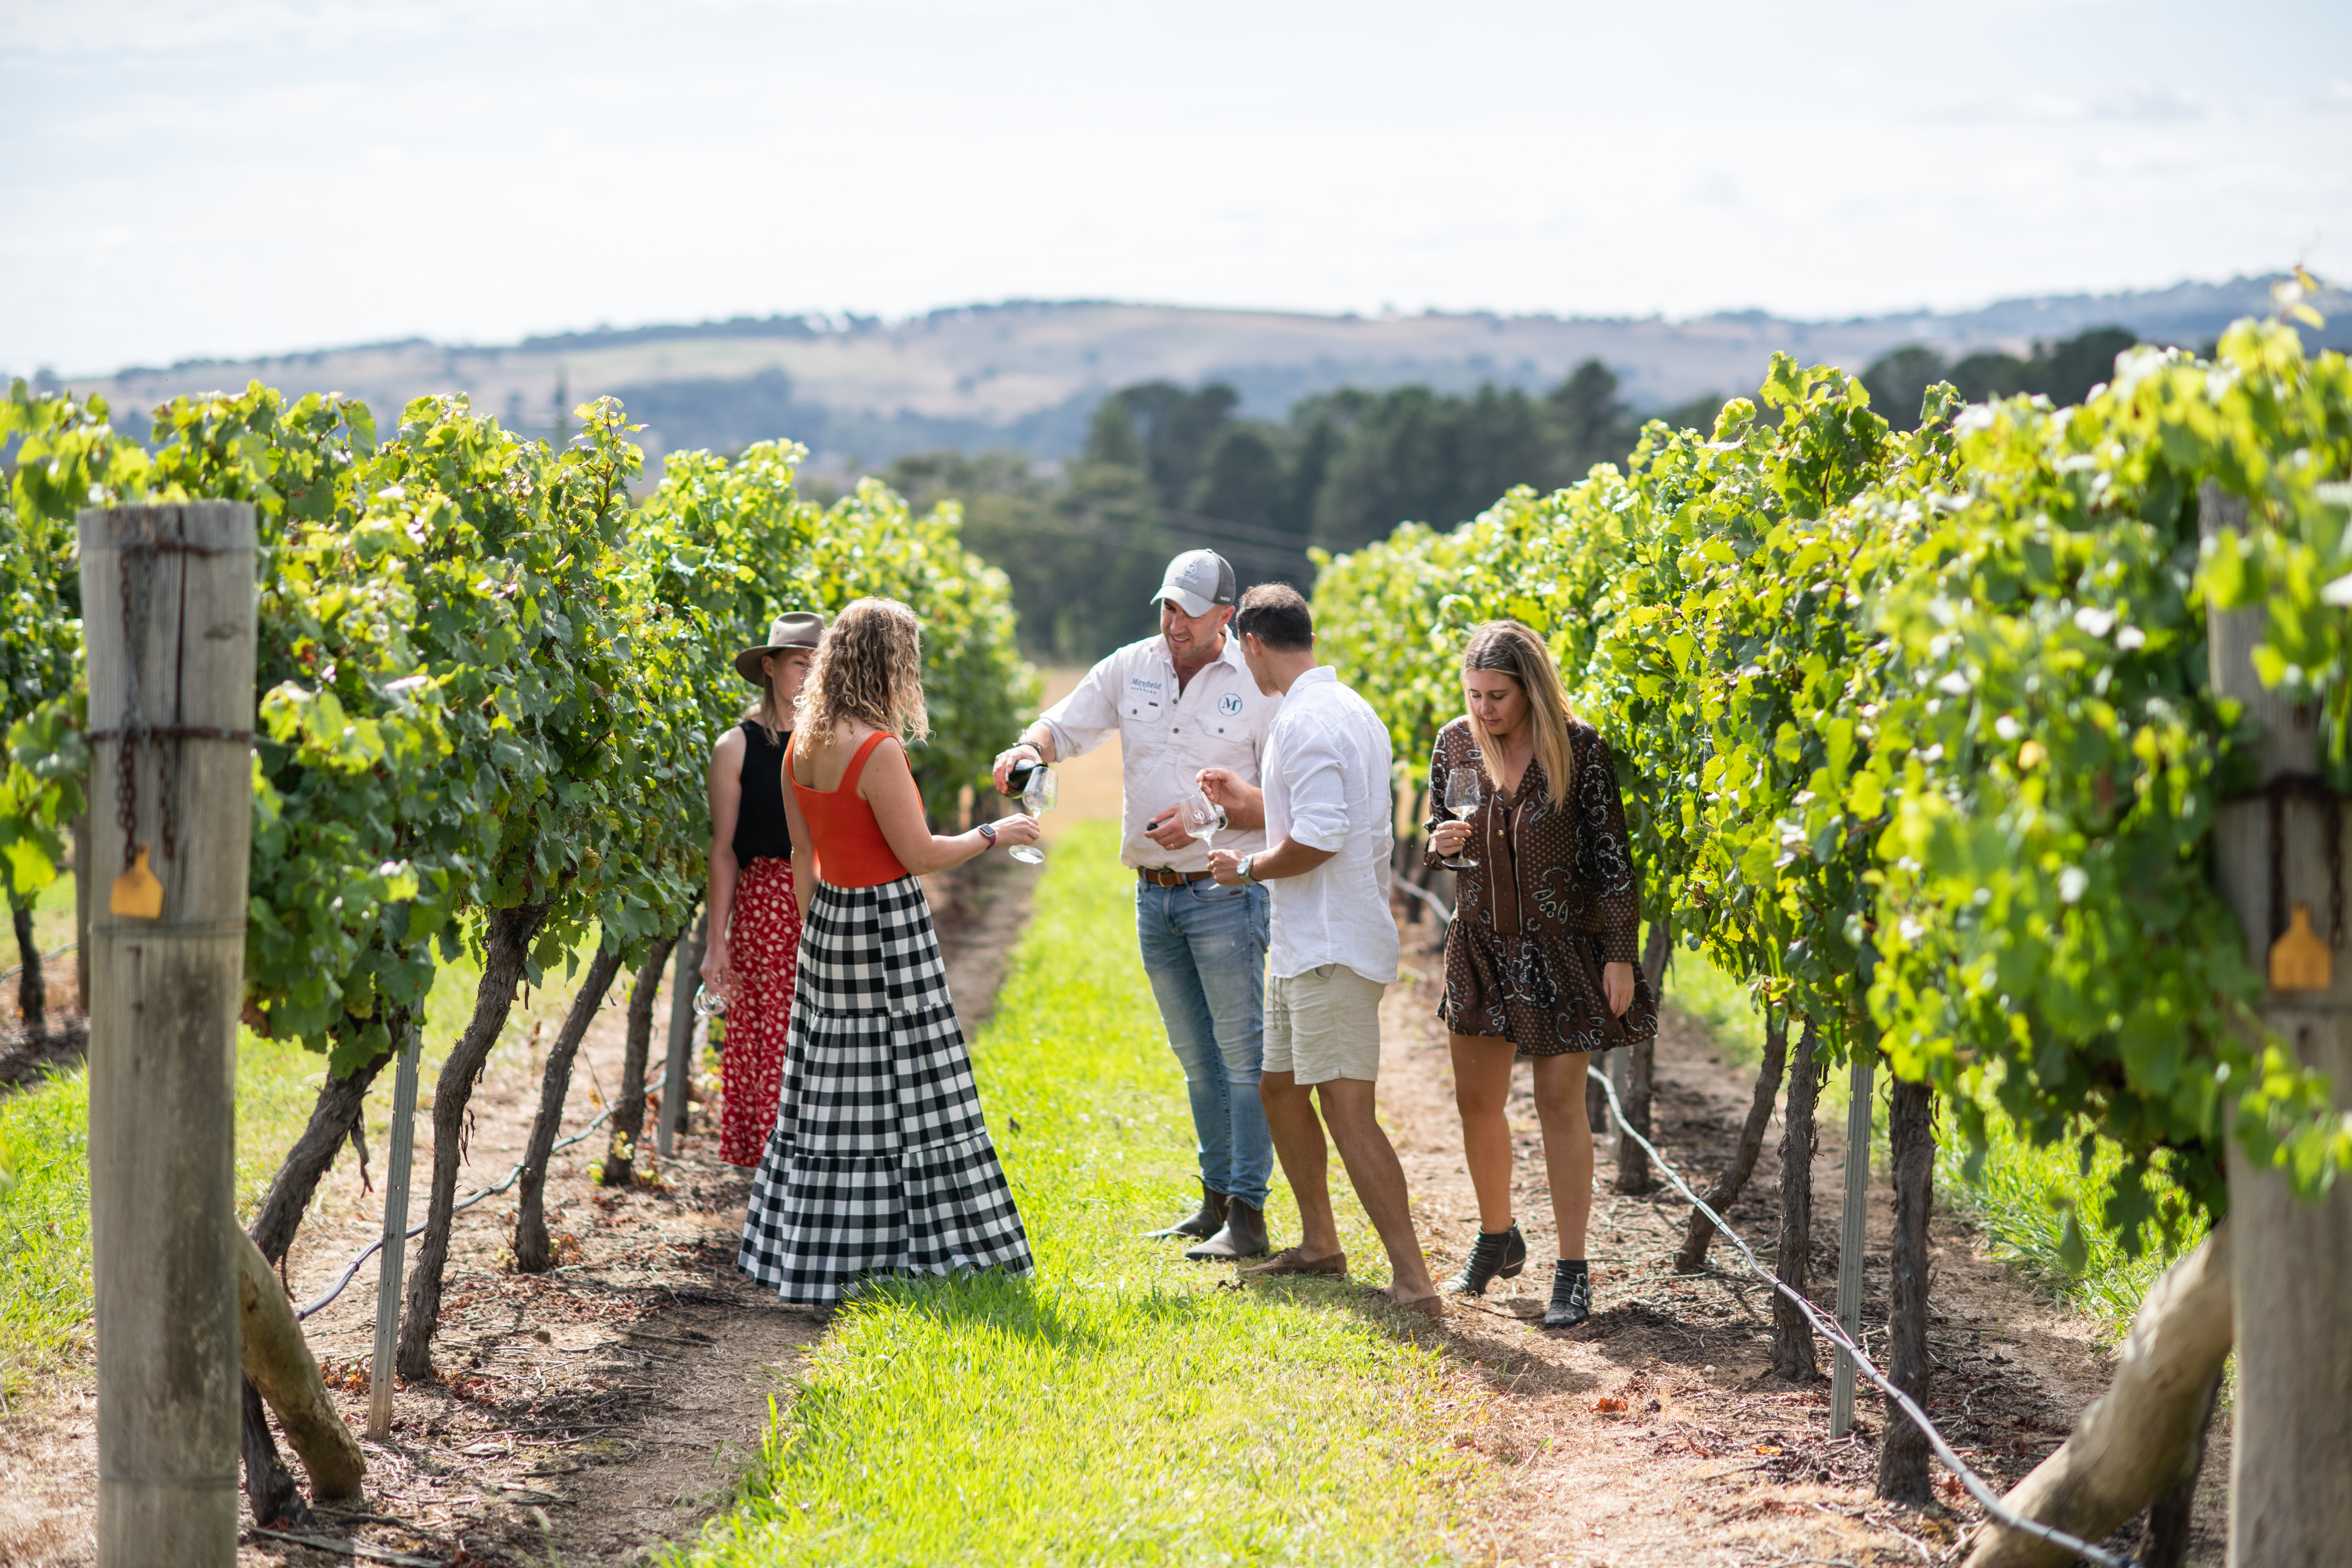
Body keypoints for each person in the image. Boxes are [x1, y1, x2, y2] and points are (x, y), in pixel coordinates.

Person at [738, 596, 1042, 1311]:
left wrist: (822, 931)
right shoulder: (877, 751)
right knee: (919, 1090)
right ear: (887, 664)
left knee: (833, 1092)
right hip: (887, 925)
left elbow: (803, 854)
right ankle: (924, 1249)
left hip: (830, 924)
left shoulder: (800, 747)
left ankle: (822, 1261)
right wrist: (997, 835)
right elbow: (921, 854)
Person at [991, 550, 1278, 1261]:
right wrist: (1026, 748)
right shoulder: (1132, 665)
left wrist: (1205, 823)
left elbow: (1282, 804)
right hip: (1155, 894)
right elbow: (1065, 725)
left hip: (1226, 891)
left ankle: (1250, 1214)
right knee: (1195, 1058)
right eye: (1167, 606)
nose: (1172, 622)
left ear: (1225, 616)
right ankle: (1214, 1202)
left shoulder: (1258, 684)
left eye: (1187, 610)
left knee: (1243, 1057)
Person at [1202, 585, 1440, 1319]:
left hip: (1331, 941)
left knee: (1346, 1108)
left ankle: (1414, 1280)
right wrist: (1250, 807)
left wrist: (1245, 866)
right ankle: (1319, 1243)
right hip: (1307, 940)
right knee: (1280, 1085)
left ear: (1252, 644)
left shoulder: (1303, 723)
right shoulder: (1349, 709)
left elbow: (1323, 834)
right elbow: (1318, 813)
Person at [1422, 619, 1657, 1329]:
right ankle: (1499, 1236)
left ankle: (1573, 1271)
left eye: (1497, 695)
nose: (1483, 709)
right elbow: (1444, 838)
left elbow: (1613, 857)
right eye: (1473, 694)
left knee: (1561, 1105)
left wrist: (1621, 953)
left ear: (1529, 690)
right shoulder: (1455, 745)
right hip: (1483, 946)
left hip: (1561, 950)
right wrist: (1440, 844)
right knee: (1477, 1102)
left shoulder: (1579, 749)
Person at [704, 611, 825, 1168]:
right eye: (801, 662)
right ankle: (779, 1167)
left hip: (828, 895)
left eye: (819, 663)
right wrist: (716, 942)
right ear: (771, 667)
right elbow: (724, 850)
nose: (810, 673)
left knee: (828, 1034)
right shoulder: (736, 746)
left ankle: (824, 1164)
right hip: (766, 905)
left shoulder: (831, 744)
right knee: (771, 1034)